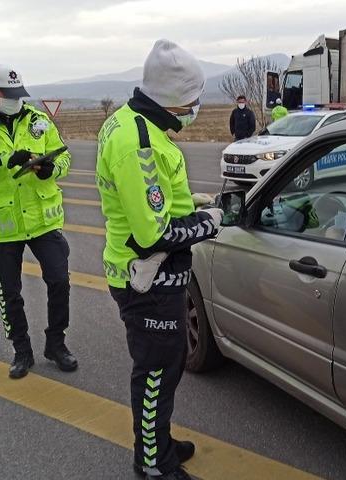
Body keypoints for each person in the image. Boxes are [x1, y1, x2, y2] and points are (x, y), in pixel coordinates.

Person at [96, 40, 223, 480]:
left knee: (161, 371)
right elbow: (152, 235)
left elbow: (157, 201)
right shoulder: (140, 144)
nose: (195, 108)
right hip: (146, 282)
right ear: (171, 98)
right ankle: (152, 463)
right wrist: (210, 222)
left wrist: (195, 203)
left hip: (148, 277)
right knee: (156, 376)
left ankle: (159, 442)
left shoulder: (127, 120)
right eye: (192, 99)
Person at [0, 64, 77, 379]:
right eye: (8, 95)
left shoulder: (38, 120)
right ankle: (21, 351)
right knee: (10, 291)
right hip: (2, 223)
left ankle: (56, 344)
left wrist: (52, 169)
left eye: (18, 94)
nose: (15, 100)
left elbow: (63, 156)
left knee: (59, 280)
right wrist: (2, 161)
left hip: (42, 218)